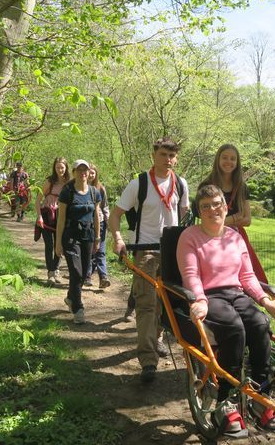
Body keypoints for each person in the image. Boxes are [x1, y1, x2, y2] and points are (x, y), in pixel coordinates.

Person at [177, 184, 275, 437]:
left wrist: (265, 301)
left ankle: (261, 396)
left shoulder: (235, 237)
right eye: (205, 206)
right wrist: (200, 300)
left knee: (260, 324)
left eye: (217, 204)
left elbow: (248, 276)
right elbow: (191, 275)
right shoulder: (190, 237)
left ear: (226, 208)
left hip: (236, 293)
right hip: (210, 295)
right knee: (234, 328)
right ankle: (225, 401)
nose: (212, 210)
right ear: (199, 211)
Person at [109, 137, 190, 383]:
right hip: (145, 251)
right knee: (146, 305)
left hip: (173, 252)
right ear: (154, 155)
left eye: (172, 156)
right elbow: (115, 215)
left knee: (166, 303)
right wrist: (118, 239)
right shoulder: (139, 184)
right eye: (164, 154)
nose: (168, 160)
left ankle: (158, 338)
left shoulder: (181, 184)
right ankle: (148, 361)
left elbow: (183, 214)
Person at [199, 144, 267, 283]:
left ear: (237, 162)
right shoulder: (206, 186)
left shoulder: (241, 186)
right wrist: (236, 217)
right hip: (212, 238)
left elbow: (247, 220)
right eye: (224, 157)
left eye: (232, 158)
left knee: (245, 277)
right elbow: (206, 219)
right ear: (218, 159)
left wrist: (219, 220)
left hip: (236, 238)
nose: (228, 162)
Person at [55, 159, 101, 325]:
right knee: (76, 272)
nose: (83, 173)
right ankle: (78, 308)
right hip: (70, 236)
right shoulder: (67, 192)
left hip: (88, 236)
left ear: (89, 173)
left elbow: (96, 216)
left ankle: (70, 297)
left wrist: (98, 238)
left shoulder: (95, 192)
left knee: (82, 274)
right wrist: (58, 243)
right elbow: (60, 219)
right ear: (73, 172)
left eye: (85, 170)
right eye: (79, 170)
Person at [34, 157, 70, 286]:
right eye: (57, 167)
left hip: (62, 217)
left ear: (66, 168)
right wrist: (39, 216)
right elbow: (38, 200)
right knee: (49, 245)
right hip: (47, 216)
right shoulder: (50, 181)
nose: (59, 170)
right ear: (54, 168)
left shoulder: (69, 183)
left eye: (62, 167)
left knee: (59, 245)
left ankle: (56, 271)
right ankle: (50, 273)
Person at [85, 163, 110, 289]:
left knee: (101, 251)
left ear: (96, 175)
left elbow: (105, 206)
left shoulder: (100, 188)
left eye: (93, 173)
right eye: (89, 172)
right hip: (86, 222)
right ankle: (87, 276)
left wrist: (108, 220)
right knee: (89, 250)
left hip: (100, 222)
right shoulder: (80, 188)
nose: (90, 175)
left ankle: (103, 277)